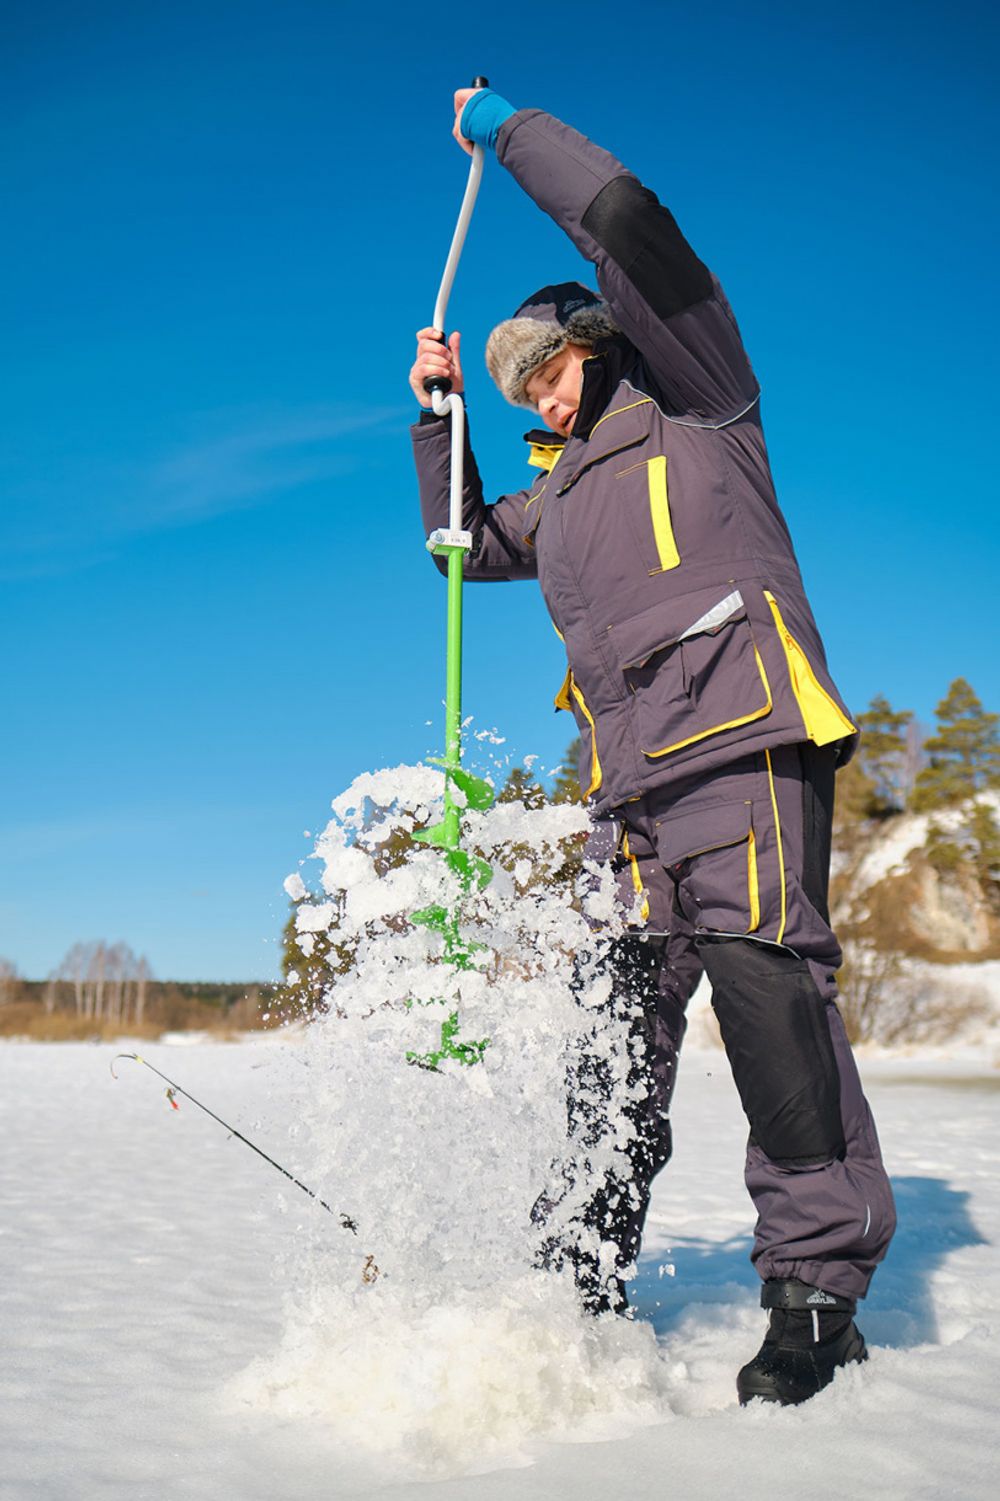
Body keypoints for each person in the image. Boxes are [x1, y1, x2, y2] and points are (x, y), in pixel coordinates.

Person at [408, 87, 896, 1406]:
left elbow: (623, 217)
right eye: (521, 387)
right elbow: (461, 542)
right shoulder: (556, 500)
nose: (543, 397)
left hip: (740, 746)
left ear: (600, 335)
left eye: (547, 366)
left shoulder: (700, 398)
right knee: (614, 1043)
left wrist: (505, 131)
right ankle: (578, 1269)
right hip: (629, 804)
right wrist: (440, 418)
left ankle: (813, 1296)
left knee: (772, 1010)